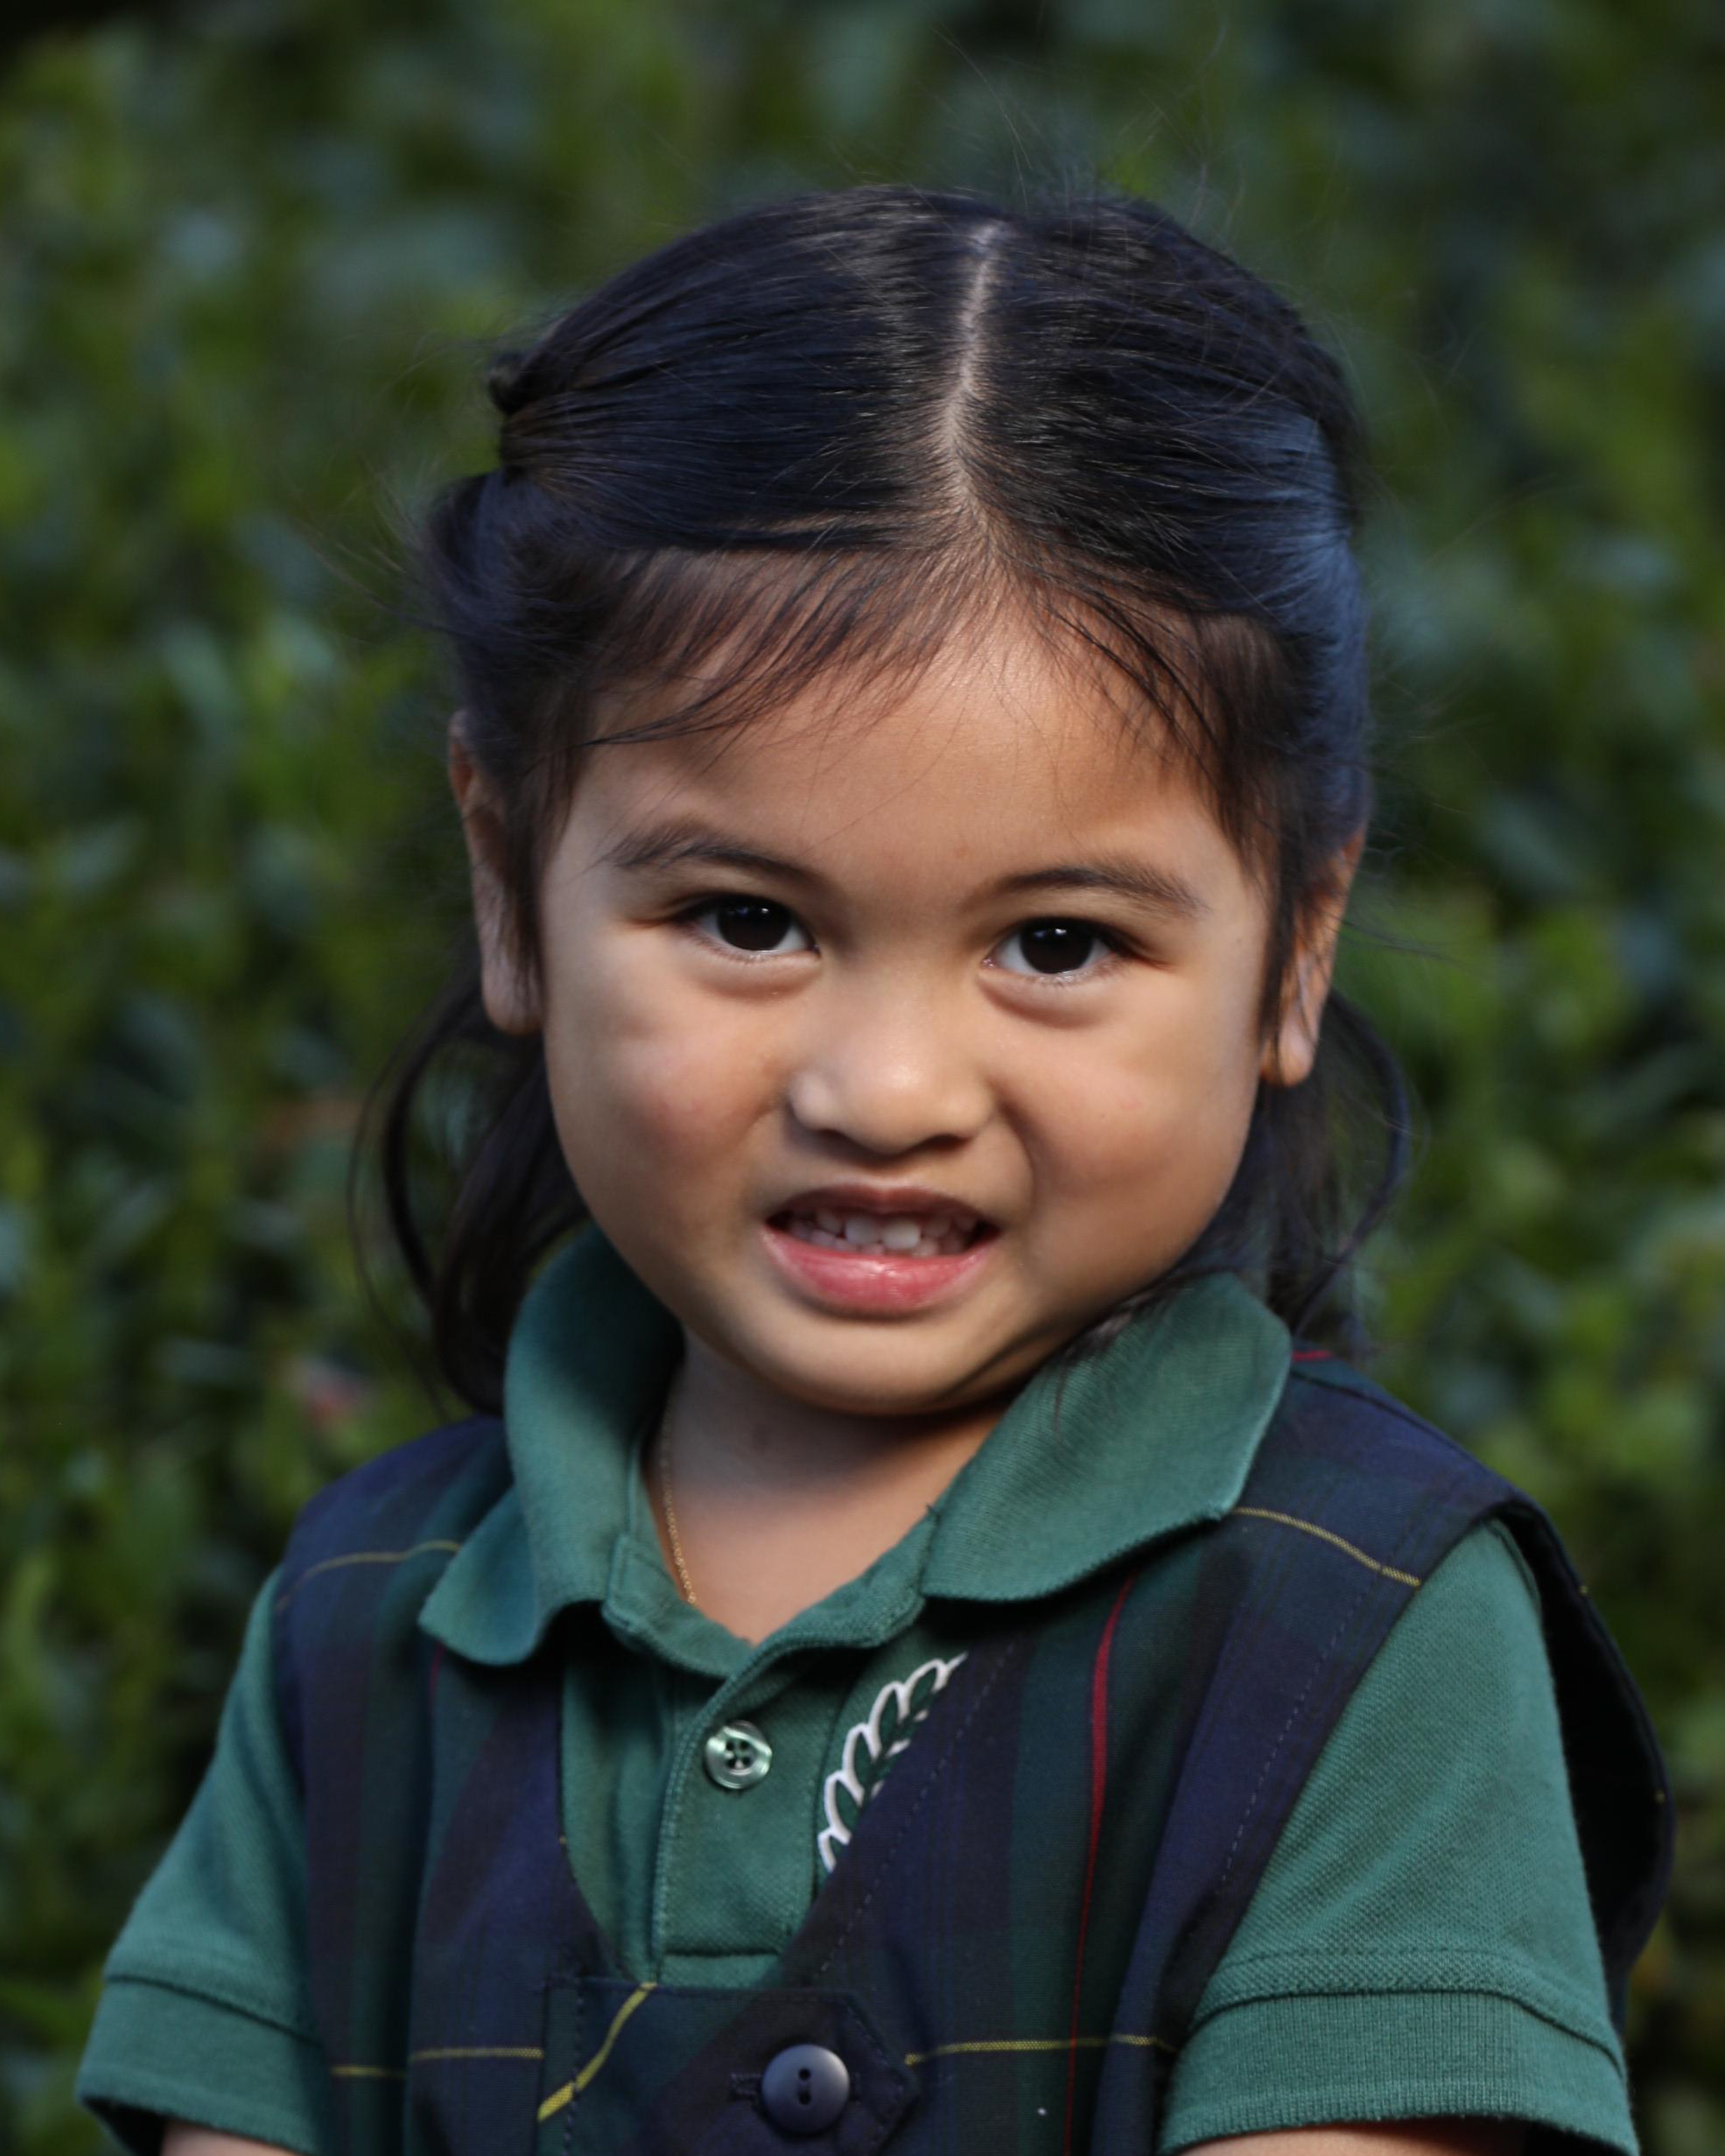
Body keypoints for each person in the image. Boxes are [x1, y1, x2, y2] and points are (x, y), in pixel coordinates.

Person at [75, 185, 1670, 2156]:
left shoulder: (1355, 1627)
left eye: (1058, 942)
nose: (887, 1088)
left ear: (1295, 946)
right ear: (507, 877)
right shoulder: (365, 1625)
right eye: (747, 919)